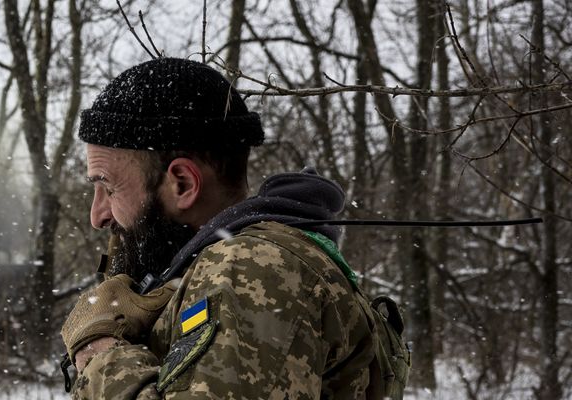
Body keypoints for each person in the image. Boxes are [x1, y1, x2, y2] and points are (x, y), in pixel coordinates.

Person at [60, 57, 404, 399]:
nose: (97, 215)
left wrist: (101, 354)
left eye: (108, 187)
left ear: (181, 183)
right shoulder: (231, 265)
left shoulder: (253, 266)